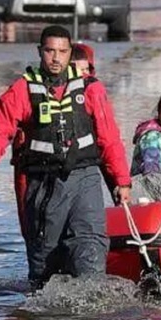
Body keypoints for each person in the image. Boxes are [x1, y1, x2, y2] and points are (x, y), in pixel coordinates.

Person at [0, 25, 131, 288]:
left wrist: (121, 181)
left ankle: (92, 310)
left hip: (85, 179)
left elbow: (110, 138)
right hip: (44, 184)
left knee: (90, 246)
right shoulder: (23, 90)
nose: (56, 58)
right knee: (45, 259)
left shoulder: (91, 89)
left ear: (70, 53)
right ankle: (45, 314)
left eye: (62, 52)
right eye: (49, 51)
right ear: (40, 52)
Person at [12, 42, 97, 239]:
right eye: (78, 70)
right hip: (38, 174)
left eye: (87, 70)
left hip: (80, 174)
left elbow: (107, 143)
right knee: (36, 231)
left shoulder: (93, 94)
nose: (83, 75)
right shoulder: (32, 92)